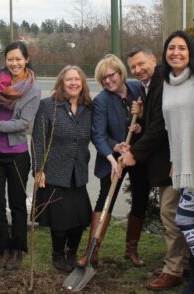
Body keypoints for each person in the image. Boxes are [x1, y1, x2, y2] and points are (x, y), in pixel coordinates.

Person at [123, 46, 190, 290]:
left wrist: (135, 153)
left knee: (170, 215)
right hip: (168, 162)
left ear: (154, 59)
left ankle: (174, 271)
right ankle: (180, 263)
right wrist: (139, 119)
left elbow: (161, 126)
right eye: (133, 67)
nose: (138, 70)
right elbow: (153, 121)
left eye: (141, 64)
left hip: (173, 162)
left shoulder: (164, 82)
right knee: (177, 215)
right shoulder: (149, 85)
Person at [77, 54, 150, 268]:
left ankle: (131, 250)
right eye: (104, 79)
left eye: (111, 75)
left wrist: (140, 124)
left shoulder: (138, 88)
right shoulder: (101, 101)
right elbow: (98, 134)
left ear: (120, 72)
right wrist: (115, 148)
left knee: (141, 198)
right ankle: (93, 250)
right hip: (114, 159)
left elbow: (151, 118)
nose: (108, 81)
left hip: (137, 155)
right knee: (105, 200)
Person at [0, 41, 41, 270]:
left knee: (18, 204)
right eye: (10, 59)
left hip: (17, 154)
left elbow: (23, 124)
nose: (14, 63)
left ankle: (18, 249)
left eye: (18, 59)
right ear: (5, 60)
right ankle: (3, 249)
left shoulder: (33, 88)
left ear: (26, 59)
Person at [161, 30, 194, 294]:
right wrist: (174, 161)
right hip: (184, 165)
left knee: (186, 219)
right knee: (193, 222)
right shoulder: (167, 81)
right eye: (171, 48)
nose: (175, 52)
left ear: (190, 52)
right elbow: (170, 128)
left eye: (181, 47)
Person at [32, 65, 92, 272]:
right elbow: (38, 140)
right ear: (61, 83)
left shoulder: (88, 108)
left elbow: (99, 135)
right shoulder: (48, 106)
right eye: (69, 80)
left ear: (83, 83)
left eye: (77, 79)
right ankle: (57, 254)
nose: (74, 83)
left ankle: (72, 252)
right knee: (60, 223)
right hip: (55, 173)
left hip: (78, 174)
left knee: (80, 221)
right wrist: (38, 169)